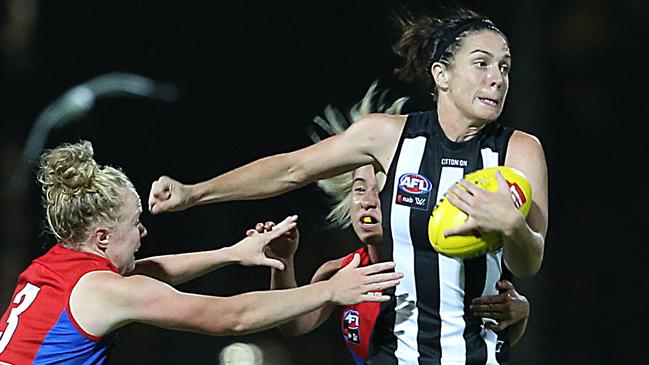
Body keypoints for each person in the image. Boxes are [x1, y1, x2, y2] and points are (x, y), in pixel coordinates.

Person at [148, 8, 548, 364]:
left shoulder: (520, 150)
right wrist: (193, 192)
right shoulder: (388, 137)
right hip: (393, 354)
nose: (497, 79)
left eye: (505, 67)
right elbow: (290, 169)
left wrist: (513, 225)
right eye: (482, 64)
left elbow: (528, 263)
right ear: (440, 74)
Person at [0, 141, 403, 365]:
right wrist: (330, 291)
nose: (143, 231)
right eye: (135, 223)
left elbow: (148, 271)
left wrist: (230, 253)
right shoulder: (105, 290)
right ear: (102, 238)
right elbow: (233, 319)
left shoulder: (59, 263)